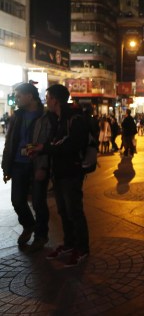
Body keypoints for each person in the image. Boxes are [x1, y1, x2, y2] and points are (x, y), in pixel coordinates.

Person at [28, 84, 90, 267]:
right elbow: (54, 142)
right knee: (63, 211)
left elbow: (71, 145)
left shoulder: (74, 118)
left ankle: (82, 248)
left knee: (74, 211)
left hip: (72, 172)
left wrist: (44, 148)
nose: (45, 100)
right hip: (59, 173)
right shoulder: (55, 118)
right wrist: (40, 151)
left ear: (55, 99)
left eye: (47, 97)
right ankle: (70, 244)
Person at [2, 83, 54, 252]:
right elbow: (10, 141)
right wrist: (6, 166)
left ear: (29, 96)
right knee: (17, 201)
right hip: (18, 163)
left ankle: (41, 236)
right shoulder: (17, 115)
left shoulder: (45, 116)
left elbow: (49, 143)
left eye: (18, 96)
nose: (15, 99)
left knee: (39, 202)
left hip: (36, 164)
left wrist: (44, 167)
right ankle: (28, 225)